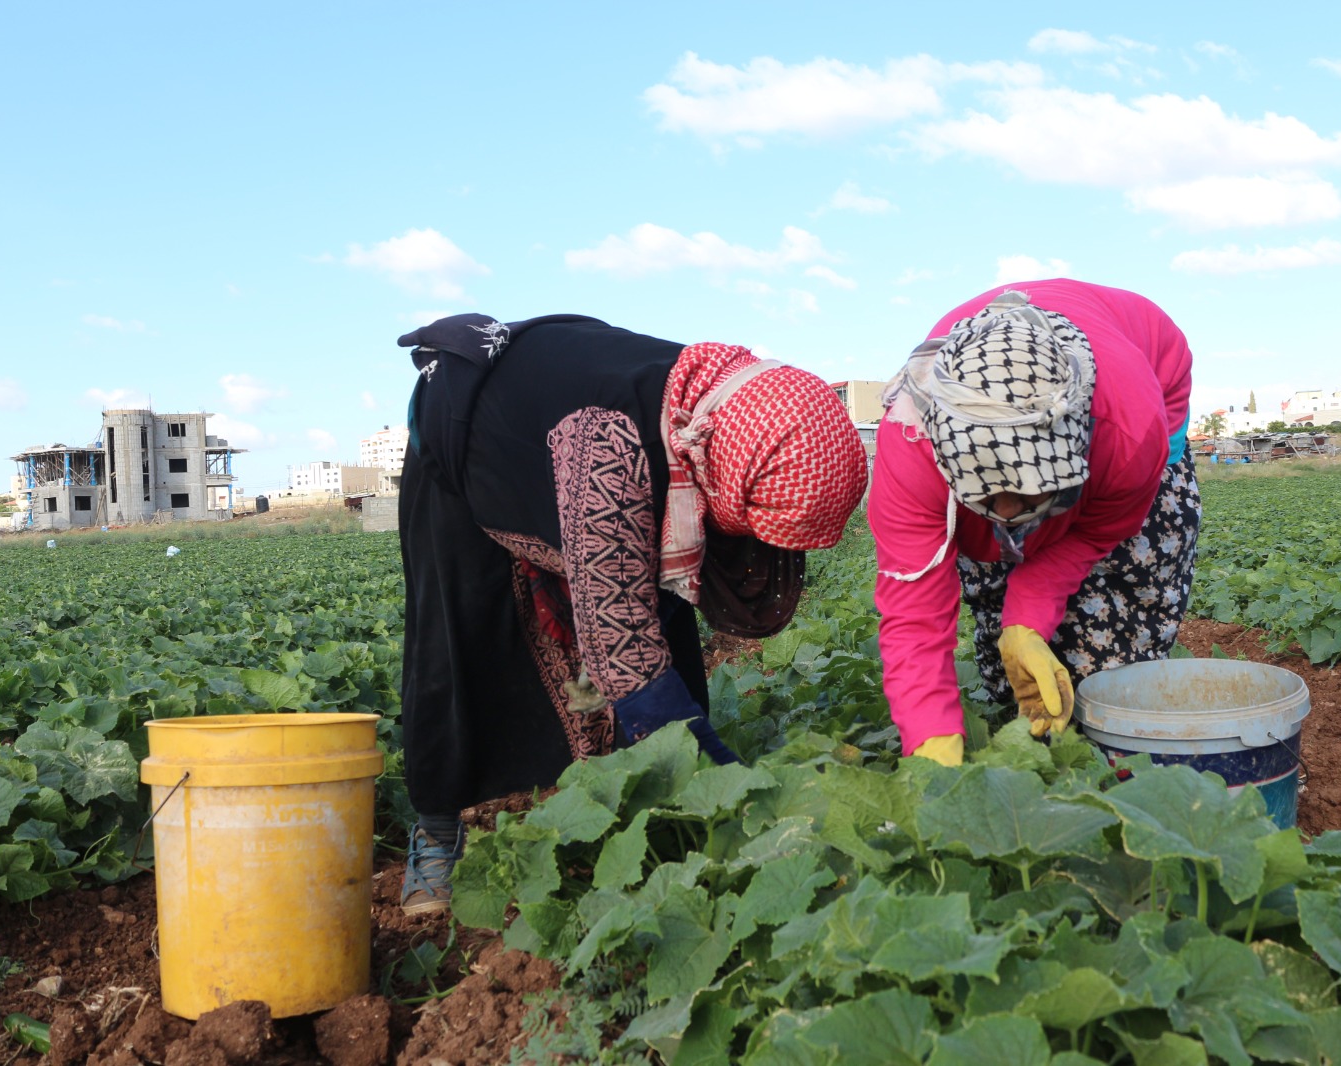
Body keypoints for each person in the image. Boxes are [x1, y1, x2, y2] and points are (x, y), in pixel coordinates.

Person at [395, 312, 868, 912]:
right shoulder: (607, 456)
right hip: (463, 436)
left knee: (662, 601)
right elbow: (629, 658)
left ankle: (631, 797)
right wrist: (736, 788)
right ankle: (437, 829)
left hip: (562, 425)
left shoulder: (715, 408)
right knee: (458, 630)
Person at [867, 280, 1197, 765]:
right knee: (1001, 627)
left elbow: (1095, 531)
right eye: (987, 493)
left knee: (1128, 589)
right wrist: (930, 739)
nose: (1006, 517)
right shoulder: (913, 444)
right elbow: (913, 609)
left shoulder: (1127, 431)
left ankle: (1122, 751)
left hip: (1145, 374)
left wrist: (1029, 613)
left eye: (1025, 492)